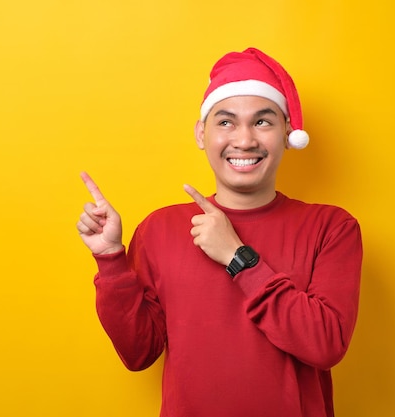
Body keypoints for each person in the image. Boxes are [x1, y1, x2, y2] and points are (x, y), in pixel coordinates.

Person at [76, 47, 362, 417]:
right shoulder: (159, 229)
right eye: (226, 122)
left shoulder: (332, 228)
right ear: (201, 133)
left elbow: (326, 345)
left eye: (263, 122)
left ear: (288, 133)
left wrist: (237, 257)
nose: (244, 140)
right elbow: (138, 354)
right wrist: (111, 260)